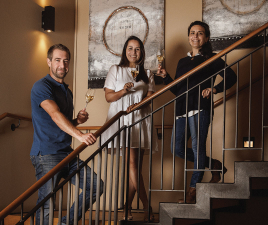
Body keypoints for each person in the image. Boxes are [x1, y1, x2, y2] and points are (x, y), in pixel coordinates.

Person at [156, 21, 237, 203]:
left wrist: (214, 89)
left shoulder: (211, 58)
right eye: (192, 32)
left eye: (200, 33)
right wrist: (166, 77)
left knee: (197, 148)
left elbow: (231, 77)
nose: (195, 36)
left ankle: (193, 191)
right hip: (181, 110)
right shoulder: (183, 61)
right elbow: (178, 89)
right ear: (188, 36)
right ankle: (213, 165)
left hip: (200, 108)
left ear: (206, 38)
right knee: (176, 149)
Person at [30, 44, 103, 225]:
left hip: (66, 152)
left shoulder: (66, 91)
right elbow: (54, 115)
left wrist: (77, 121)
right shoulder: (41, 86)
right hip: (46, 153)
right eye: (57, 60)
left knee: (95, 186)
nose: (62, 65)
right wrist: (80, 135)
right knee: (47, 203)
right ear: (49, 62)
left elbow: (63, 123)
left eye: (65, 61)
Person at [101, 36, 157, 221]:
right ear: (125, 50)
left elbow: (149, 98)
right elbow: (109, 98)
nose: (133, 52)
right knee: (133, 165)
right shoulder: (115, 70)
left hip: (140, 120)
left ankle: (126, 209)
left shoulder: (147, 73)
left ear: (142, 52)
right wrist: (123, 91)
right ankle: (147, 206)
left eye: (138, 49)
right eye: (130, 48)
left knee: (136, 168)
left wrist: (138, 106)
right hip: (122, 121)